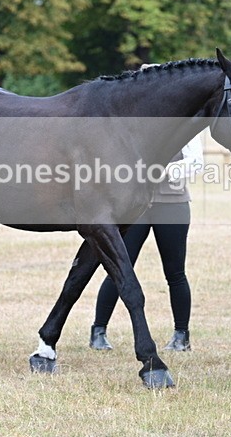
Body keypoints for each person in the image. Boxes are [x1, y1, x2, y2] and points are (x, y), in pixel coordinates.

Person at [89, 132, 204, 352]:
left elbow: (197, 162)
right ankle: (98, 330)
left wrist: (164, 170)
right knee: (119, 268)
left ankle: (181, 335)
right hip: (134, 205)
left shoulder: (184, 126)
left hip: (173, 205)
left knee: (175, 273)